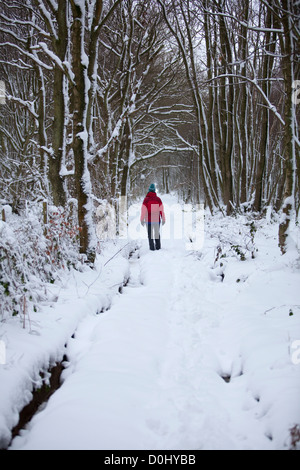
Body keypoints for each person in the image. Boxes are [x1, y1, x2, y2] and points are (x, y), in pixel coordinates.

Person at [140, 184, 166, 251]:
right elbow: (161, 210)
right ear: (154, 191)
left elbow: (143, 210)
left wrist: (142, 219)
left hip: (148, 220)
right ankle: (158, 247)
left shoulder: (146, 200)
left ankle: (152, 248)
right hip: (157, 220)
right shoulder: (158, 199)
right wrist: (163, 218)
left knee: (150, 235)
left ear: (148, 190)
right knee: (157, 234)